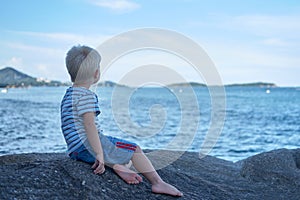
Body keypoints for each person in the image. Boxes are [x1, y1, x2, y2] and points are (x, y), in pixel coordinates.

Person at [60, 45, 182, 197]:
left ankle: (119, 166)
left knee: (118, 155)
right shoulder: (86, 96)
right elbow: (89, 125)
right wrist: (99, 153)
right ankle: (158, 183)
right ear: (96, 74)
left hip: (74, 150)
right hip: (88, 145)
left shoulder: (68, 94)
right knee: (134, 150)